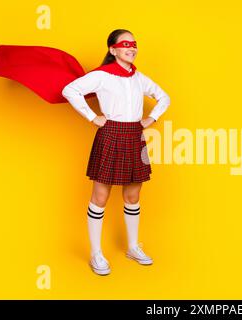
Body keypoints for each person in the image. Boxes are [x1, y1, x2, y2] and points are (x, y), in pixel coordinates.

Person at [62, 29, 171, 275]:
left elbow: (164, 97)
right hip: (110, 134)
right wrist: (92, 117)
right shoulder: (102, 76)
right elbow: (70, 90)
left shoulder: (139, 78)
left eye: (134, 44)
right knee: (100, 197)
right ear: (113, 49)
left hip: (134, 135)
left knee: (133, 196)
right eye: (125, 44)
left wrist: (151, 118)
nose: (131, 48)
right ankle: (96, 254)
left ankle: (133, 247)